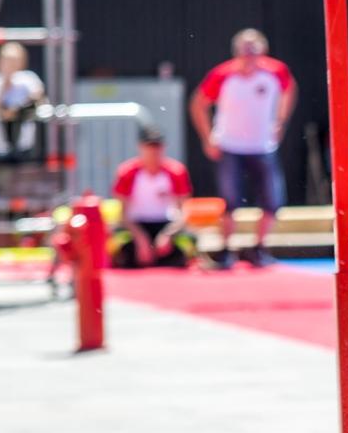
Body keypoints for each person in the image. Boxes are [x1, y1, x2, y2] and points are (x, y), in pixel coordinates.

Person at [189, 28, 296, 268]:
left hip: (262, 145)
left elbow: (290, 90)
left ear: (263, 52)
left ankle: (258, 248)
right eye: (244, 51)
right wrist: (208, 138)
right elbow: (198, 103)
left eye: (253, 50)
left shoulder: (275, 72)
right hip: (230, 145)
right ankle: (226, 249)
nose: (248, 56)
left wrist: (279, 122)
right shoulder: (223, 75)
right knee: (230, 200)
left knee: (272, 200)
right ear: (236, 52)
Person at [110, 128, 196, 269]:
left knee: (186, 246)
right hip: (137, 225)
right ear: (140, 147)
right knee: (122, 251)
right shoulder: (127, 172)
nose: (153, 151)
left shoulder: (176, 171)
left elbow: (184, 211)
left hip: (166, 224)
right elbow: (122, 213)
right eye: (149, 146)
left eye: (157, 146)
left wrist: (167, 235)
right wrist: (140, 239)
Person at [0, 41, 46, 162]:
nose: (11, 65)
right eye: (7, 60)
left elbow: (38, 97)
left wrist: (18, 109)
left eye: (15, 60)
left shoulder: (29, 79)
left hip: (24, 147)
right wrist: (6, 83)